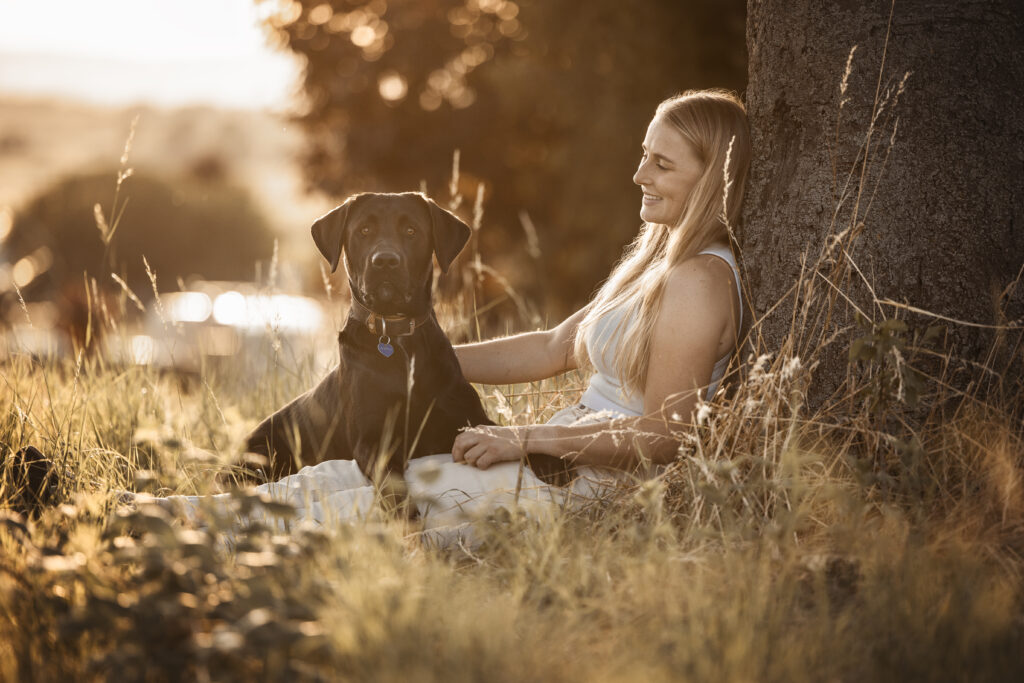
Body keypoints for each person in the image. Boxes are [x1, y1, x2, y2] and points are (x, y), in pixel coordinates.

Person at [11, 89, 751, 543]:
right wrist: (408, 353)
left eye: (662, 163)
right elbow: (559, 344)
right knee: (324, 479)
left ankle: (114, 528)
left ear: (709, 174)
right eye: (642, 155)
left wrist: (521, 436)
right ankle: (96, 509)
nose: (638, 174)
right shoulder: (653, 267)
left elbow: (668, 434)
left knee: (343, 511)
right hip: (556, 456)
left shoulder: (698, 283)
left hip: (588, 486)